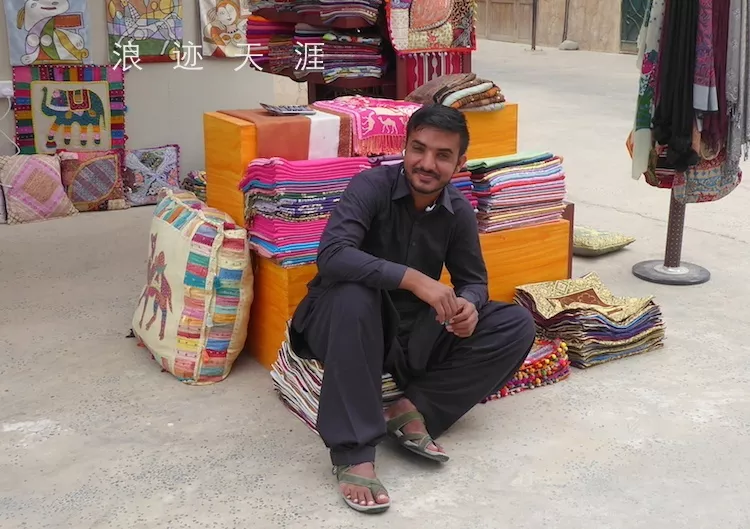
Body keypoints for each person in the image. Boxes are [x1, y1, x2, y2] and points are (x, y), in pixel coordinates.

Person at [289, 104, 536, 514]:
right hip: (344, 321)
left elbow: (474, 281)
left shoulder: (457, 211)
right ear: (404, 148)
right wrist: (414, 279)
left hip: (411, 332)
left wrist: (469, 307)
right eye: (419, 149)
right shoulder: (370, 187)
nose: (427, 163)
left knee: (516, 323)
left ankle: (410, 407)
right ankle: (353, 452)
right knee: (356, 296)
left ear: (460, 163)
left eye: (442, 155)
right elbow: (332, 255)